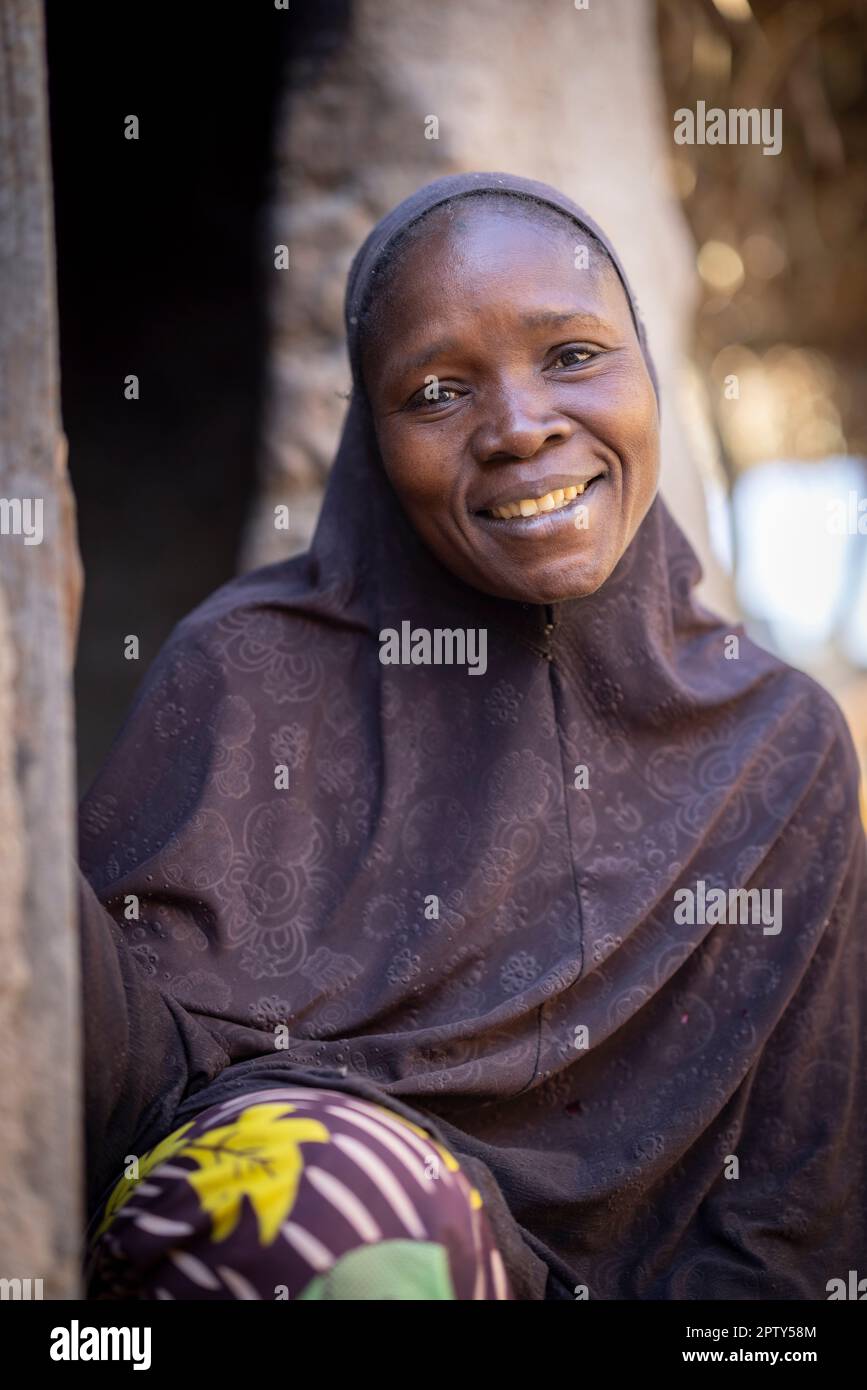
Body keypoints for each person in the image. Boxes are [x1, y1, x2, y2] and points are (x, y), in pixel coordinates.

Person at [78, 172, 867, 1301]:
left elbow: (801, 1203)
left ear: (650, 370)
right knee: (302, 1201)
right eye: (439, 391)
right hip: (322, 1256)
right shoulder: (251, 670)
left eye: (574, 355)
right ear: (371, 439)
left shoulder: (779, 748)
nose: (519, 427)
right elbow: (129, 1083)